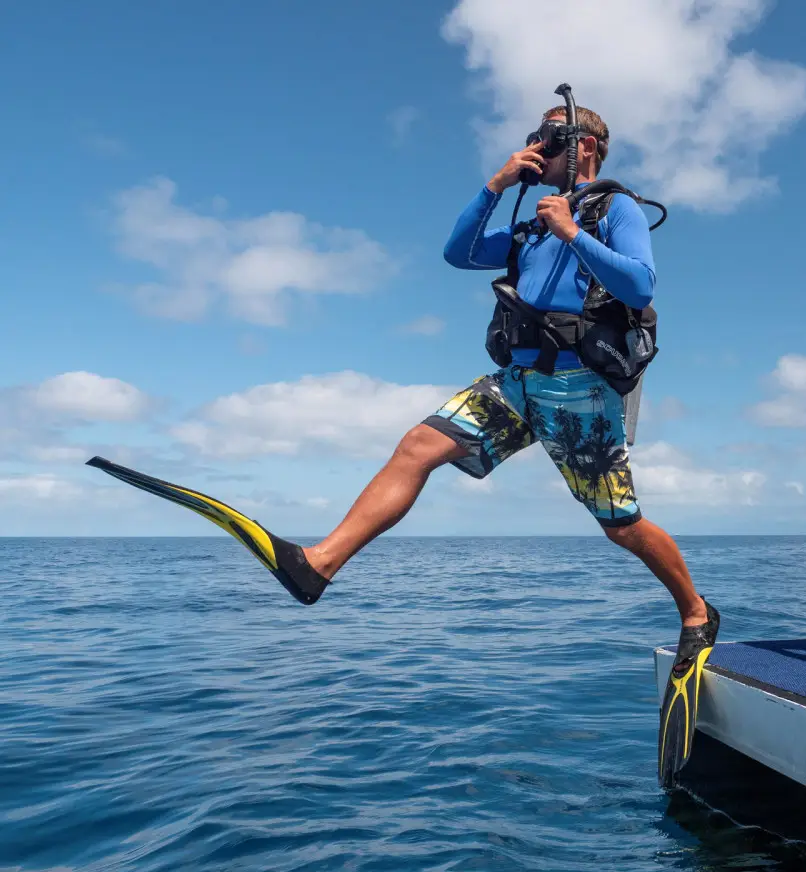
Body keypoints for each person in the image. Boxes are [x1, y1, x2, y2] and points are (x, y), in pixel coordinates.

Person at [85, 98, 718, 783]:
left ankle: (696, 613)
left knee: (620, 526)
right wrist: (495, 186)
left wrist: (570, 230)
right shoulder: (527, 228)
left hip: (581, 389)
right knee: (419, 444)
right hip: (513, 382)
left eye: (548, 138)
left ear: (585, 147)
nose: (536, 145)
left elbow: (641, 281)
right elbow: (456, 254)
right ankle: (318, 566)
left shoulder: (611, 208)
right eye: (533, 137)